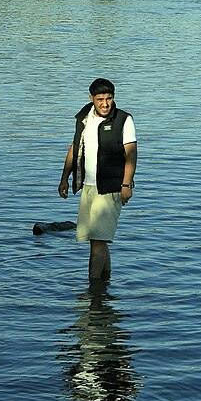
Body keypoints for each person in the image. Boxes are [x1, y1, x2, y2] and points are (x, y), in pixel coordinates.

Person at [57, 78, 137, 291]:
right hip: (88, 186)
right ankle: (104, 285)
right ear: (91, 98)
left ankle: (92, 290)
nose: (105, 103)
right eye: (100, 99)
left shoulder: (123, 120)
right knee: (97, 240)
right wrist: (65, 178)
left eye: (109, 98)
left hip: (111, 187)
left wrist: (126, 185)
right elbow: (75, 148)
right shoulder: (84, 118)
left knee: (98, 242)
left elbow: (131, 154)